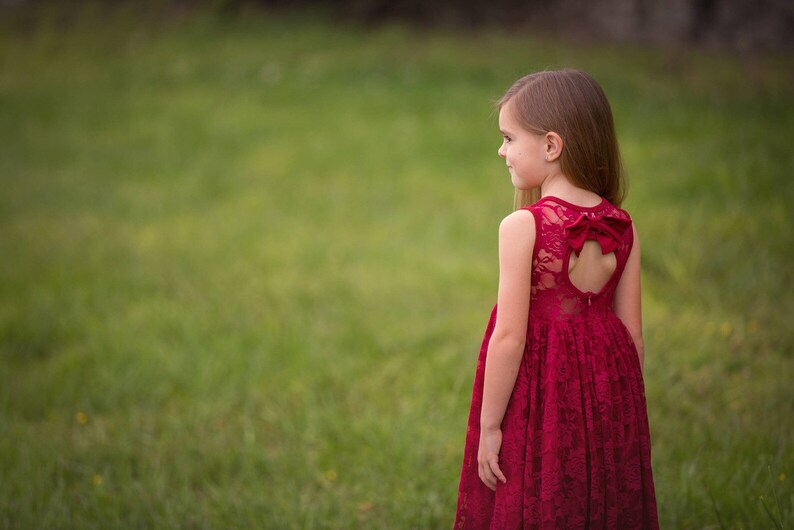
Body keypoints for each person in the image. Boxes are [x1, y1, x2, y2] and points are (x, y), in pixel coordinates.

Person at [453, 69, 659, 529]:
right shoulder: (623, 225)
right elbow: (633, 339)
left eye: (508, 138)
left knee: (538, 494)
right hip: (606, 395)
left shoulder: (523, 226)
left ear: (551, 145)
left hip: (538, 392)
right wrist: (617, 411)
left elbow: (510, 336)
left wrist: (489, 428)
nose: (501, 150)